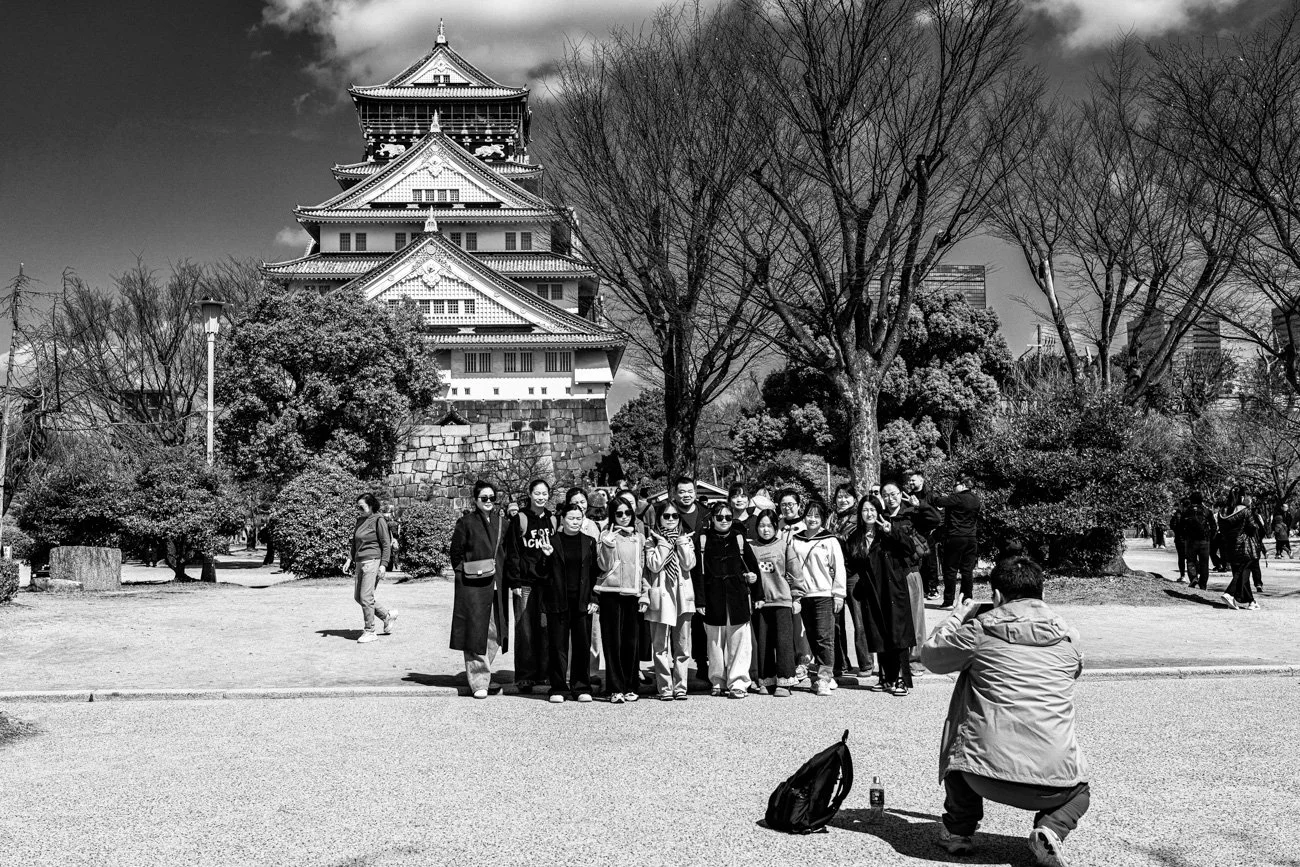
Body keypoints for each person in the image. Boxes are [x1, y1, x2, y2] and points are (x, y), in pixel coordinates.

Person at [923, 555, 1091, 867]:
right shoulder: (1066, 643)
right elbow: (1076, 664)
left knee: (962, 744)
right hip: (1055, 786)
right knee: (1081, 790)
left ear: (997, 596)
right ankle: (1049, 829)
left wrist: (956, 618)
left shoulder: (980, 632)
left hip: (982, 777)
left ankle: (958, 832)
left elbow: (931, 656)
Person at [846, 496, 916, 695]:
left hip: (893, 588)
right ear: (860, 514)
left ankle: (902, 679)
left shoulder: (888, 530)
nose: (869, 514)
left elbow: (909, 549)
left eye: (872, 510)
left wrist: (892, 532)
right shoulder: (855, 537)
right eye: (865, 510)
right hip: (871, 591)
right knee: (878, 633)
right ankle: (885, 677)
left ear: (878, 512)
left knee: (898, 634)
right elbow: (851, 564)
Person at [693, 502, 762, 698]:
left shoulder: (739, 538)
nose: (724, 521)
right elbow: (697, 573)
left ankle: (739, 681)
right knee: (715, 643)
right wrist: (700, 601)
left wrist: (758, 594)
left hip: (737, 597)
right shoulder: (703, 539)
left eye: (728, 517)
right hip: (712, 597)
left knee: (740, 641)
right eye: (720, 517)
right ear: (712, 519)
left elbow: (753, 568)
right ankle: (717, 680)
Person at [449, 480, 511, 699]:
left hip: (496, 583)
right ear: (475, 500)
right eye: (484, 498)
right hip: (473, 584)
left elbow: (508, 552)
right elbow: (456, 552)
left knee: (495, 633)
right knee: (476, 631)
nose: (488, 502)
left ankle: (483, 672)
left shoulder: (502, 523)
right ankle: (479, 681)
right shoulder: (466, 522)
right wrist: (463, 575)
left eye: (492, 498)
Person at [541, 502, 598, 703]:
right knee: (558, 645)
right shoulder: (552, 541)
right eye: (571, 518)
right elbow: (541, 574)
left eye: (578, 518)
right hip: (558, 600)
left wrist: (594, 598)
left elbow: (595, 573)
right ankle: (558, 687)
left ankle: (582, 686)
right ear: (562, 520)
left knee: (582, 645)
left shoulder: (589, 542)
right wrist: (545, 556)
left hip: (582, 601)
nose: (575, 522)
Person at [595, 496, 650, 703]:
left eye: (628, 513)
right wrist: (607, 545)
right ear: (612, 515)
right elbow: (603, 566)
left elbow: (643, 568)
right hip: (611, 593)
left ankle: (630, 685)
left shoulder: (639, 537)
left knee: (631, 642)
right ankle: (615, 688)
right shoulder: (606, 534)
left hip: (632, 594)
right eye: (619, 513)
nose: (624, 517)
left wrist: (644, 593)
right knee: (612, 643)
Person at [789, 499, 847, 696]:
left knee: (825, 637)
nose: (812, 519)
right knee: (812, 637)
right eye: (809, 515)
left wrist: (839, 594)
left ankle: (824, 678)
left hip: (824, 594)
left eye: (817, 516)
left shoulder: (830, 540)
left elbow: (839, 568)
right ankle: (817, 675)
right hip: (804, 595)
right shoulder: (795, 539)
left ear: (823, 519)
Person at [505, 479, 556, 695]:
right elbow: (513, 551)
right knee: (524, 630)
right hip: (525, 583)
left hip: (546, 583)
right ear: (530, 493)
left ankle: (543, 673)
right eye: (537, 493)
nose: (541, 497)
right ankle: (525, 676)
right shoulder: (521, 518)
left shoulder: (553, 519)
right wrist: (514, 581)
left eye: (544, 493)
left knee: (545, 629)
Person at [643, 502, 698, 700]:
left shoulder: (686, 538)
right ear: (658, 518)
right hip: (661, 596)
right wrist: (664, 544)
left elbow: (689, 564)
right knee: (660, 647)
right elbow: (654, 566)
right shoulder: (651, 541)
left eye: (675, 516)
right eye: (666, 516)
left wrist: (682, 543)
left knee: (683, 646)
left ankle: (681, 686)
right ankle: (665, 687)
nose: (671, 520)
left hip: (682, 597)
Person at [749, 508, 805, 696]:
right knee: (763, 643)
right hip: (761, 604)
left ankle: (785, 681)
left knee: (783, 643)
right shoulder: (752, 548)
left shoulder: (784, 546)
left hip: (782, 601)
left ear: (776, 527)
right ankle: (766, 679)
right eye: (761, 526)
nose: (765, 530)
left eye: (769, 526)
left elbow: (795, 573)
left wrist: (797, 597)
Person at [882, 481, 935, 673]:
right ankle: (897, 660)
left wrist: (921, 505)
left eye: (894, 493)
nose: (890, 498)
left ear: (900, 494)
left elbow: (935, 520)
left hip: (910, 571)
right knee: (894, 619)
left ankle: (916, 660)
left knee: (915, 618)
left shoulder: (912, 513)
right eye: (886, 494)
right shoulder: (881, 517)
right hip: (889, 574)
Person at [830, 483, 871, 678]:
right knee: (836, 623)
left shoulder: (858, 520)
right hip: (833, 576)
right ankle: (841, 663)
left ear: (854, 499)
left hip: (854, 574)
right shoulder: (830, 519)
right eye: (839, 496)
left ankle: (866, 664)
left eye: (847, 496)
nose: (843, 499)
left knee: (859, 621)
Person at [351, 493, 396, 644]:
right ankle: (386, 616)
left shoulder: (379, 519)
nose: (358, 509)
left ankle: (370, 631)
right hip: (359, 561)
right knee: (359, 597)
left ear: (371, 506)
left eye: (361, 507)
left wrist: (384, 564)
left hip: (373, 561)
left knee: (366, 597)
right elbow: (355, 542)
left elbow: (385, 543)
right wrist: (350, 558)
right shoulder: (360, 520)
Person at [931, 478, 982, 609]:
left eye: (956, 485)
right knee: (967, 570)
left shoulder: (957, 498)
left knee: (950, 570)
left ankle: (948, 601)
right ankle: (967, 598)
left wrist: (938, 495)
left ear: (963, 485)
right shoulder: (976, 499)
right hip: (971, 537)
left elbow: (939, 501)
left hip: (955, 536)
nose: (953, 488)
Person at [1219, 492, 1262, 610]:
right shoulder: (1245, 510)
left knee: (1241, 572)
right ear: (1241, 497)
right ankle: (1229, 593)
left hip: (1229, 545)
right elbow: (1253, 527)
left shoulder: (1222, 511)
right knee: (1242, 572)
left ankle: (1251, 601)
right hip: (1244, 545)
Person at [906, 470, 942, 600]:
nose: (910, 482)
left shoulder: (931, 495)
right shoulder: (907, 496)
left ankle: (933, 588)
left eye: (913, 480)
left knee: (930, 562)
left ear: (921, 481)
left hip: (929, 534)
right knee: (917, 561)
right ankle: (922, 589)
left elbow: (938, 516)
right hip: (914, 534)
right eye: (909, 480)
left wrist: (936, 531)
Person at [1177, 492, 1215, 589]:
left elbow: (1181, 527)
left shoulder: (1187, 511)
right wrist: (1210, 537)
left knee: (1190, 561)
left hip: (1190, 541)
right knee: (1204, 563)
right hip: (1204, 541)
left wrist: (1184, 537)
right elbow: (1213, 526)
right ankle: (1203, 584)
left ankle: (1193, 578)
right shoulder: (1207, 511)